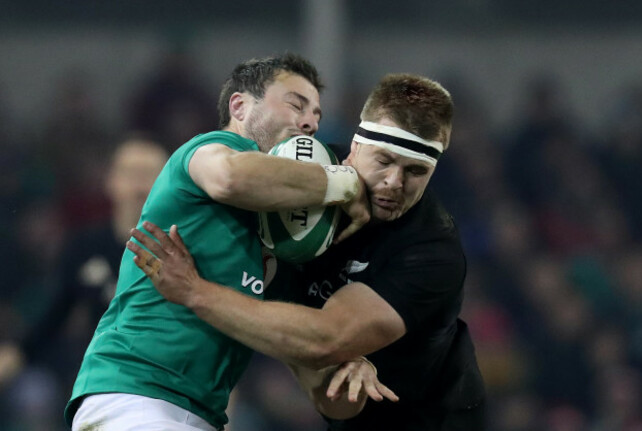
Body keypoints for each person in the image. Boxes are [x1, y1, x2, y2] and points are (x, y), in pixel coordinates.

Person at [128, 73, 487, 430]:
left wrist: (195, 291)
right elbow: (229, 178)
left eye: (416, 171)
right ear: (356, 146)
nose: (395, 182)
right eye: (384, 161)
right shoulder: (304, 171)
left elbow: (326, 339)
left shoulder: (431, 250)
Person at [65, 53, 394, 431]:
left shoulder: (285, 246)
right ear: (239, 106)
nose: (310, 122)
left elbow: (320, 388)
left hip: (201, 417)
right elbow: (230, 178)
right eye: (295, 104)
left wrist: (345, 367)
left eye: (317, 116)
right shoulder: (206, 152)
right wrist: (344, 182)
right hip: (134, 398)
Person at [0, 135, 168, 389]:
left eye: (149, 173)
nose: (139, 184)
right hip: (104, 382)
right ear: (111, 180)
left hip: (171, 382)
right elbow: (55, 313)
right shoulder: (85, 246)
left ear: (168, 183)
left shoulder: (184, 249)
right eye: (131, 172)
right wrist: (16, 355)